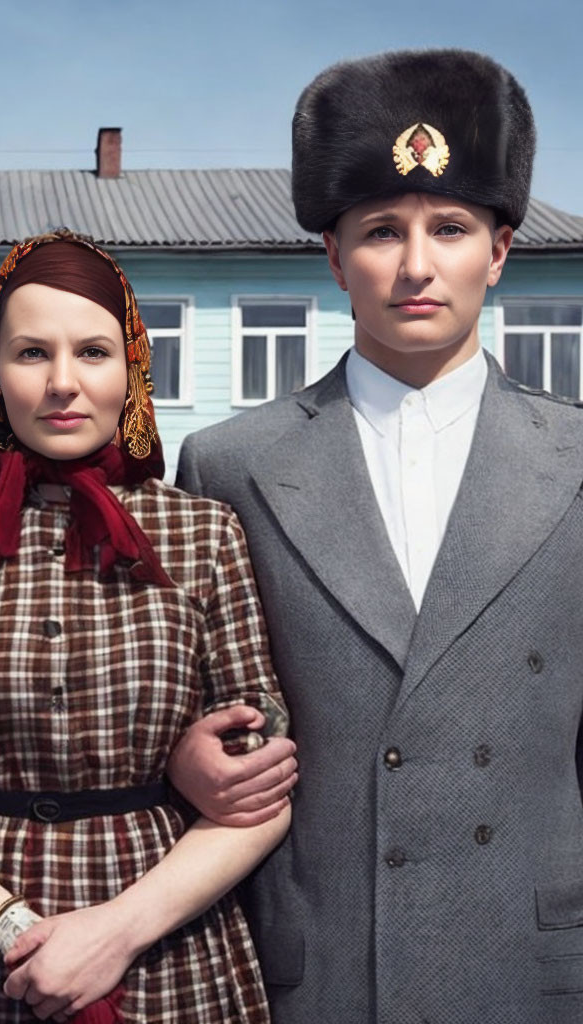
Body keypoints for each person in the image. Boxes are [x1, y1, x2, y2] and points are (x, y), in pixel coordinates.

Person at [172, 49, 583, 1023]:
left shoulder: (577, 457)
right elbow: (195, 705)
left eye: (448, 228)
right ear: (330, 255)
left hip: (529, 962)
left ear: (500, 249)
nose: (413, 266)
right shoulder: (228, 463)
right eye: (378, 232)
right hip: (315, 964)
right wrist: (183, 758)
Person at [0, 229, 291, 1023]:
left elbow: (259, 787)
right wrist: (16, 931)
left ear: (132, 367)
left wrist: (114, 934)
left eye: (92, 351)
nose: (62, 383)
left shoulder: (205, 535)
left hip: (165, 946)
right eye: (31, 353)